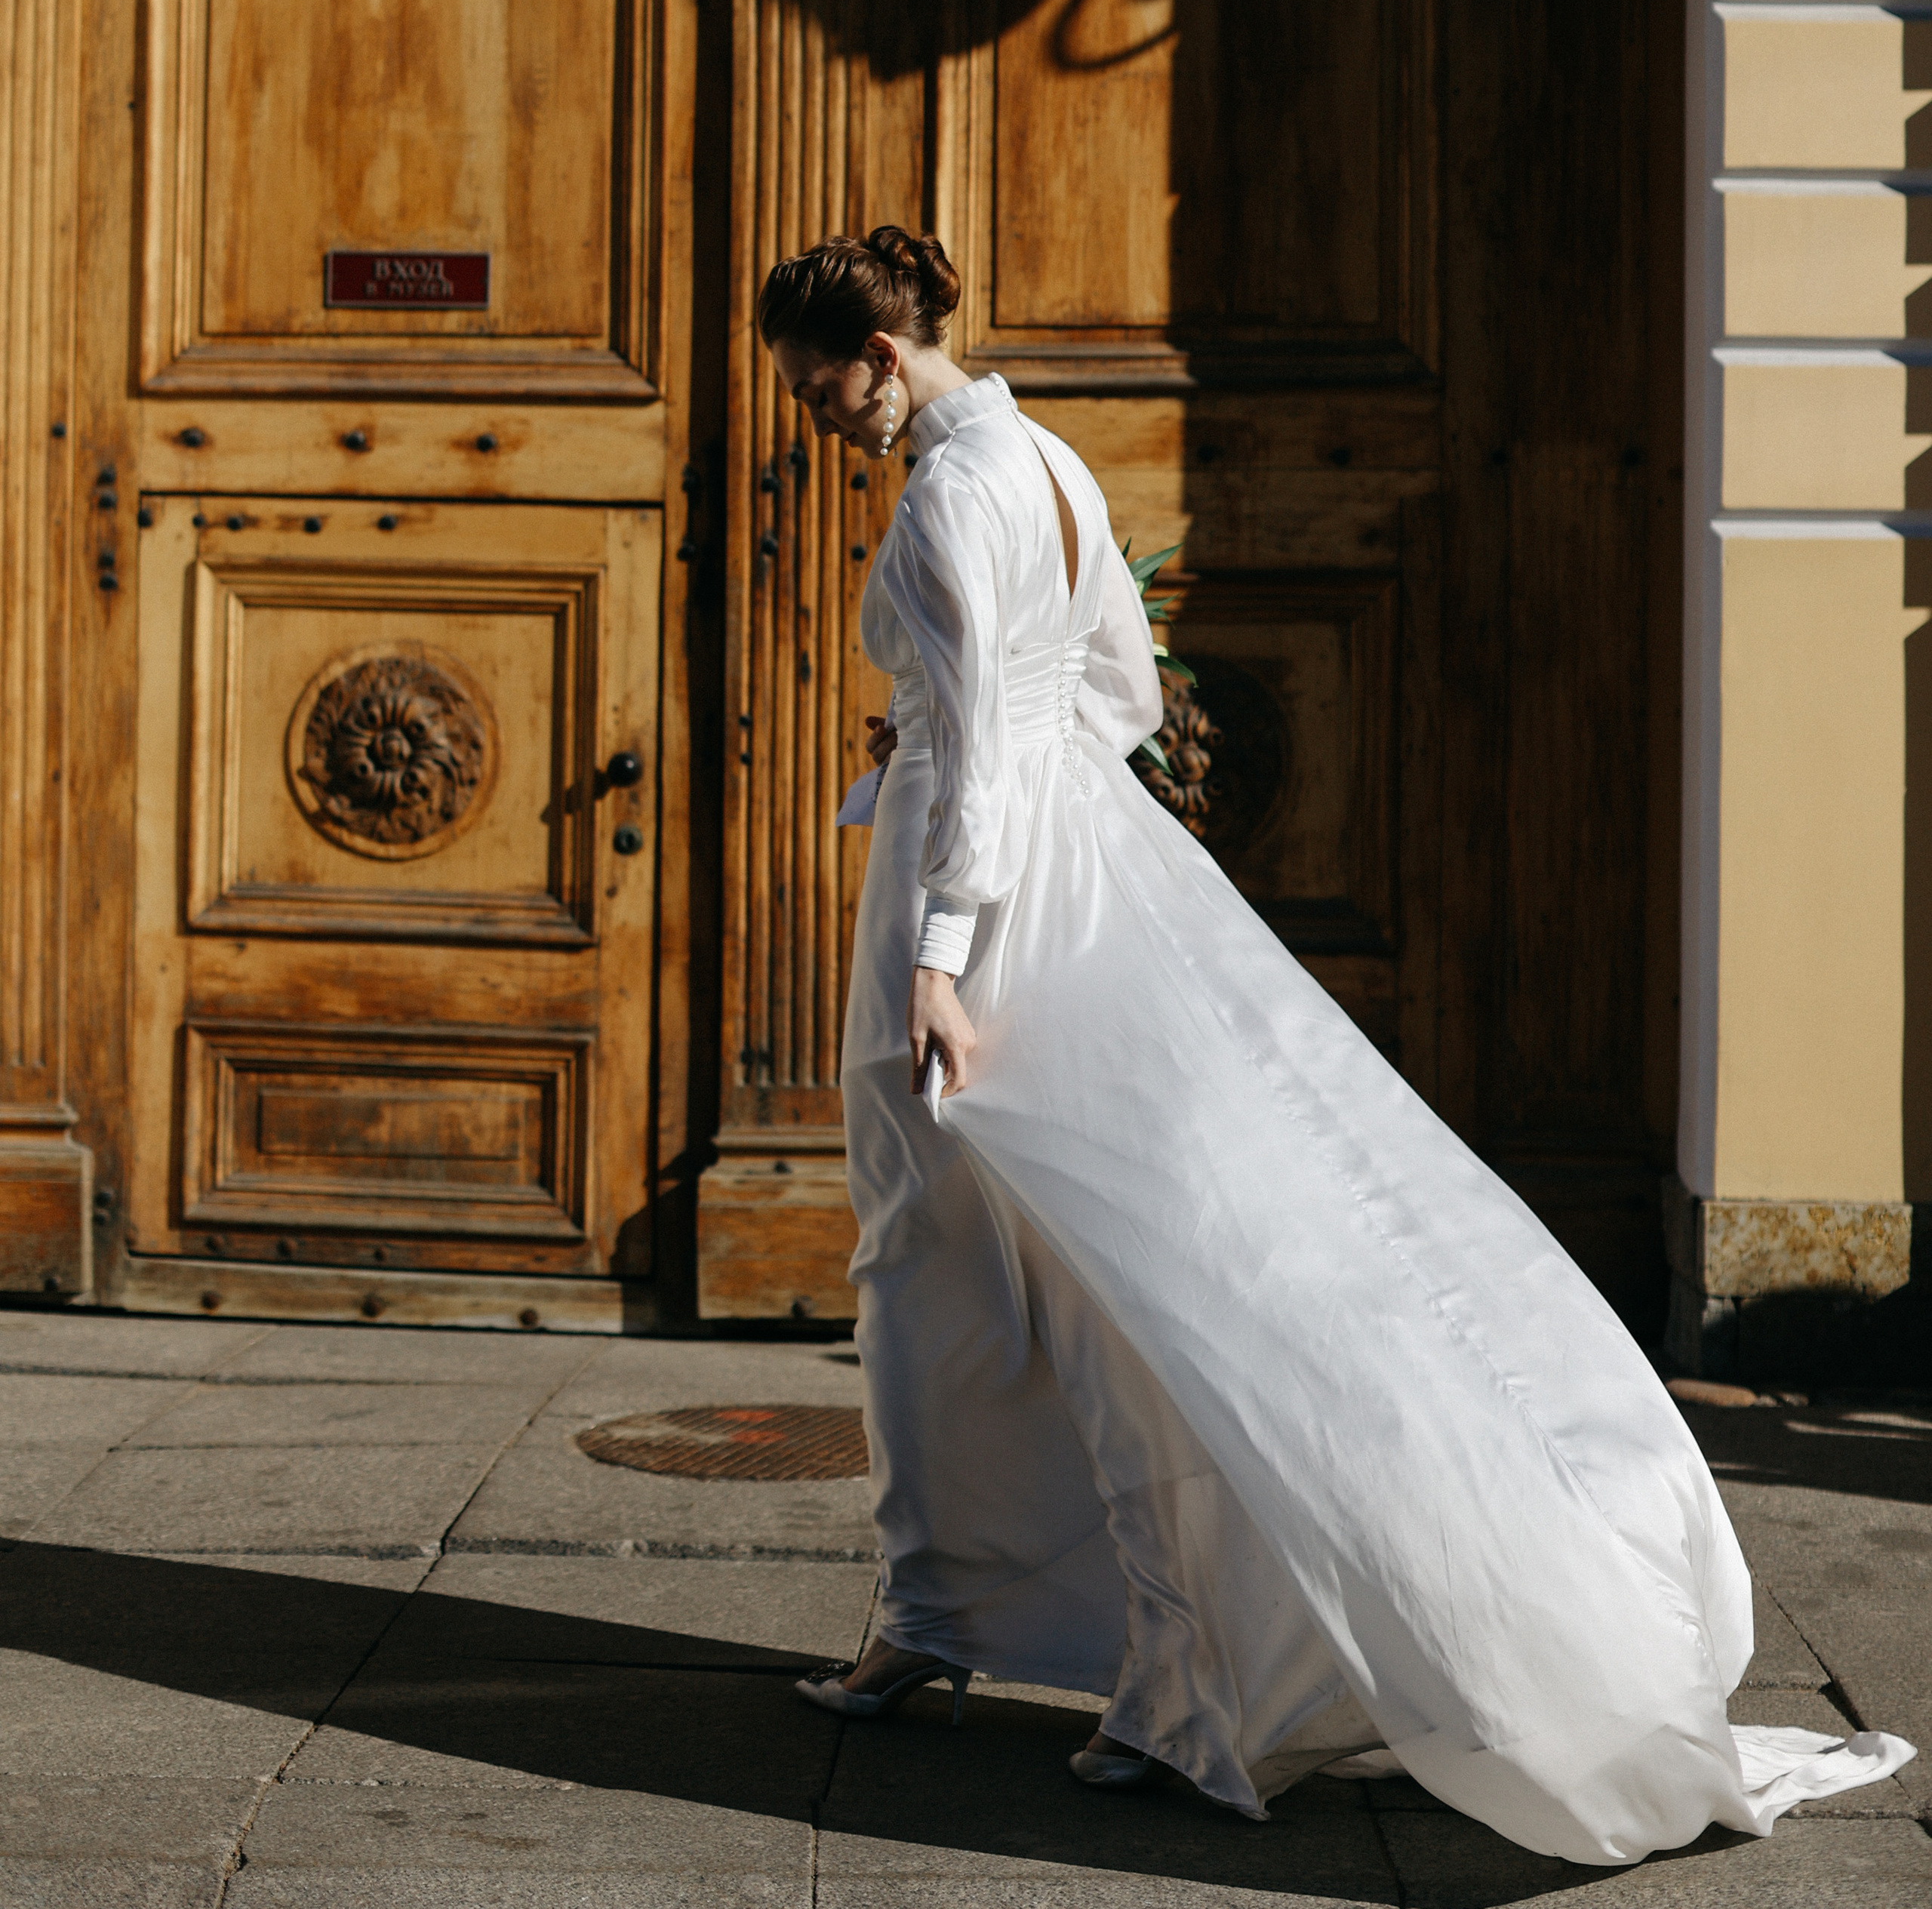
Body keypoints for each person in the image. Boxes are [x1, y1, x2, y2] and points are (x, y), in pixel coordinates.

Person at [761, 223, 1913, 1864]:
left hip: (982, 904)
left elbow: (1012, 748)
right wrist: (966, 733)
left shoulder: (951, 489)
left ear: (880, 354)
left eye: (818, 392)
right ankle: (1100, 1658)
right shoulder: (1052, 462)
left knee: (971, 1276)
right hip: (1097, 884)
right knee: (1133, 1276)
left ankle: (996, 1633)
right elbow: (1120, 702)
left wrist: (944, 942)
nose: (816, 422)